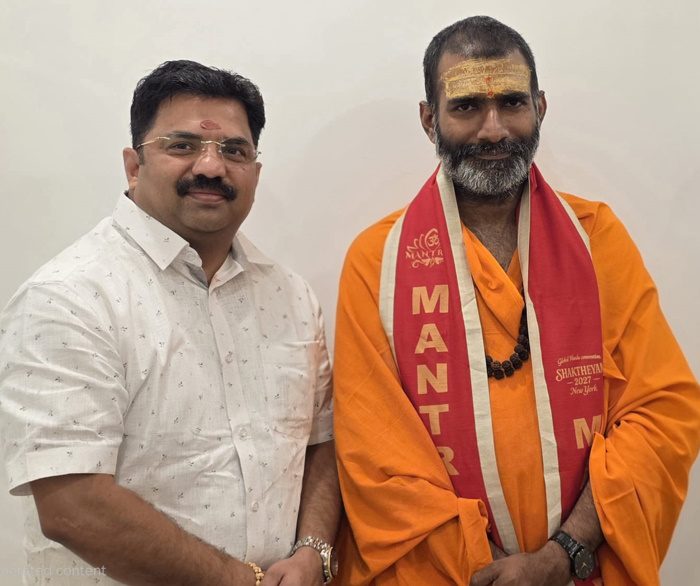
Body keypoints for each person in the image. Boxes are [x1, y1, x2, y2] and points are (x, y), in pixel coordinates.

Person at [333, 16, 700, 586]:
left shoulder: (596, 238)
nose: (493, 129)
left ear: (541, 107)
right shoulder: (378, 262)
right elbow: (376, 460)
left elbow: (663, 412)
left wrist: (563, 553)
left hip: (583, 566)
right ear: (429, 119)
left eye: (511, 102)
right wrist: (482, 568)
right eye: (466, 107)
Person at [0, 60, 340, 586]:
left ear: (255, 171)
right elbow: (72, 505)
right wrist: (241, 581)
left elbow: (320, 442)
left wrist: (312, 553)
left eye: (234, 150)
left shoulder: (290, 296)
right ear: (133, 166)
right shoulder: (69, 297)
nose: (211, 166)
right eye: (182, 145)